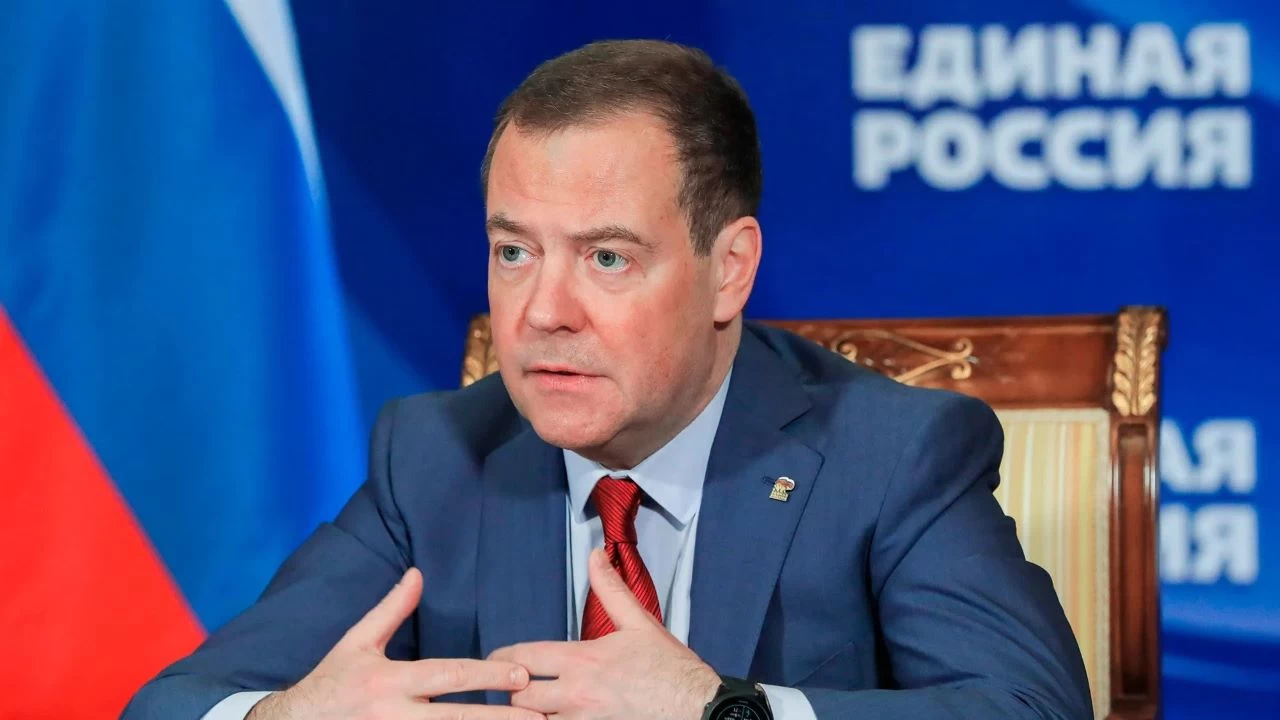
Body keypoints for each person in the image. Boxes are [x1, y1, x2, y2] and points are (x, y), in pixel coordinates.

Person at [124, 39, 1092, 720]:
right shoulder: (433, 458)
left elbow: (1029, 708)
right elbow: (170, 704)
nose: (543, 310)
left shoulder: (886, 457)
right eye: (513, 251)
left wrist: (721, 711)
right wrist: (287, 717)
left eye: (607, 258)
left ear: (729, 269)